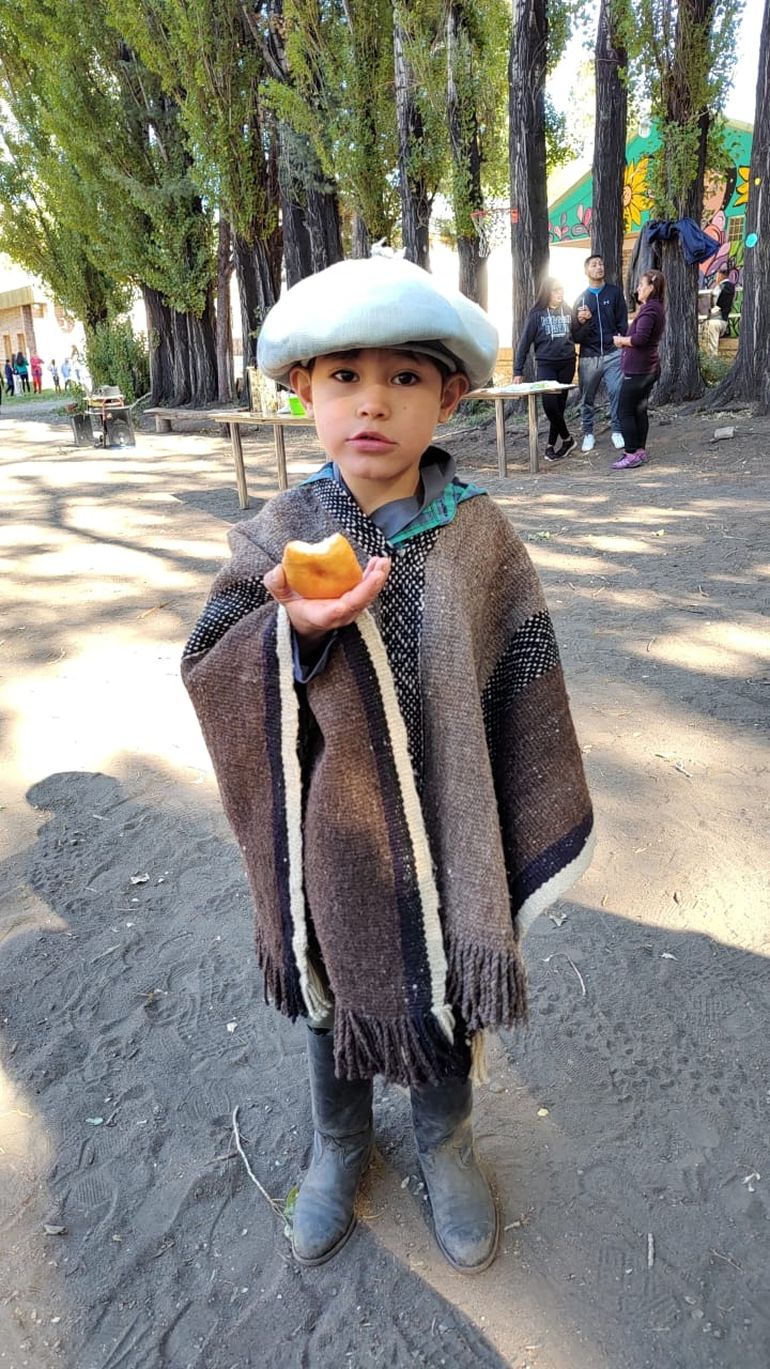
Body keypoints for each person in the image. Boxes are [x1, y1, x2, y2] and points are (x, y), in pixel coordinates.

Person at [181, 256, 594, 1275]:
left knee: (448, 989)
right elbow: (208, 660)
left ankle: (443, 1141)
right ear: (301, 394)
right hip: (337, 843)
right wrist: (292, 632)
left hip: (456, 825)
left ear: (448, 396)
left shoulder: (480, 538)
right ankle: (338, 1146)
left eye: (404, 378)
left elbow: (521, 671)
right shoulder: (280, 533)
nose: (372, 402)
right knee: (334, 999)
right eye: (342, 377)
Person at [513, 278, 576, 461]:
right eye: (556, 290)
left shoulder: (568, 310)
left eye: (561, 289)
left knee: (559, 407)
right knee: (549, 404)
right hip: (546, 364)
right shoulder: (537, 315)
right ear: (547, 292)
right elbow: (524, 344)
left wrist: (583, 321)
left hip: (567, 363)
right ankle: (567, 439)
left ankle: (551, 445)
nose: (560, 293)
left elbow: (577, 334)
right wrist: (518, 371)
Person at [571, 254, 628, 452]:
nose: (599, 267)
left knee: (617, 391)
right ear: (586, 271)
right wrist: (582, 322)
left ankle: (617, 430)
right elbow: (576, 335)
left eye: (601, 264)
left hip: (613, 353)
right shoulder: (581, 299)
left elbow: (622, 321)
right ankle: (588, 433)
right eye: (594, 265)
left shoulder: (614, 293)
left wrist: (620, 340)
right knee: (587, 396)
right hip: (589, 356)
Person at [611, 270, 666, 470]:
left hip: (639, 370)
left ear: (651, 288)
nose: (637, 289)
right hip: (646, 368)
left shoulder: (650, 310)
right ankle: (639, 450)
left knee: (624, 411)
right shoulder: (653, 308)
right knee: (639, 410)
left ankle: (631, 452)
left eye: (640, 286)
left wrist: (621, 341)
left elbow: (640, 339)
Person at [706, 266, 735, 355]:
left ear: (720, 275)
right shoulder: (731, 286)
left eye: (717, 275)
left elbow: (714, 303)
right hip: (724, 321)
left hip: (715, 320)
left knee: (712, 348)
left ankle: (713, 364)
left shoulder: (719, 287)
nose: (715, 278)